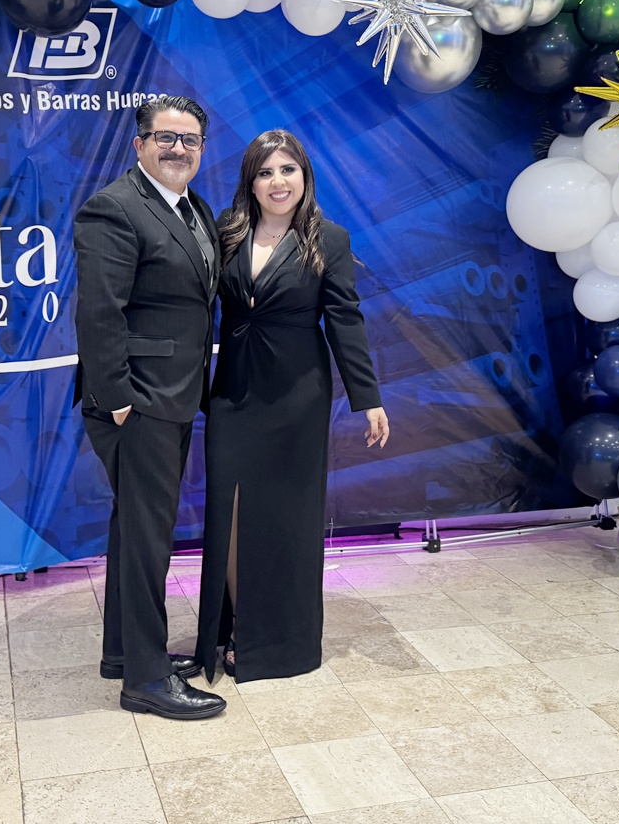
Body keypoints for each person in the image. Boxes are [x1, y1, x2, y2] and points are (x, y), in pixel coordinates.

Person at [194, 129, 389, 684]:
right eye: (265, 172)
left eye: (288, 170)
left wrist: (368, 398)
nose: (277, 182)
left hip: (297, 395)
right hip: (234, 390)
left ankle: (278, 642)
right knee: (231, 512)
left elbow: (345, 319)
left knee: (287, 518)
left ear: (305, 176)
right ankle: (238, 629)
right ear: (250, 182)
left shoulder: (329, 238)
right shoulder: (227, 230)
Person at [73, 96, 226, 720]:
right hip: (138, 400)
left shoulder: (195, 209)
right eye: (166, 137)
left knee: (135, 530)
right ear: (139, 144)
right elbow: (99, 312)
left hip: (175, 394)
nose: (178, 149)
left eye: (190, 140)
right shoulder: (114, 207)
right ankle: (146, 679)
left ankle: (123, 653)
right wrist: (117, 401)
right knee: (148, 541)